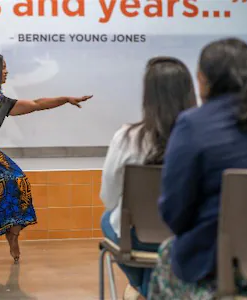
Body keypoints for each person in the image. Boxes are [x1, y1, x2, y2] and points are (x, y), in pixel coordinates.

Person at [0, 51, 92, 264]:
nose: (6, 72)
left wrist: (65, 99)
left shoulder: (2, 101)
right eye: (3, 68)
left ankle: (12, 235)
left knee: (19, 183)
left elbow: (37, 103)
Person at [148, 38, 247, 299]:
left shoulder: (194, 125)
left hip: (220, 267)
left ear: (203, 79)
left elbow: (175, 212)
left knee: (166, 256)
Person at [100, 57, 197, 299]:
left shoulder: (127, 137)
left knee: (108, 219)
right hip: (189, 241)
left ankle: (144, 288)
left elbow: (109, 199)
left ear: (148, 96)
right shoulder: (204, 139)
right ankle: (153, 288)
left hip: (137, 241)